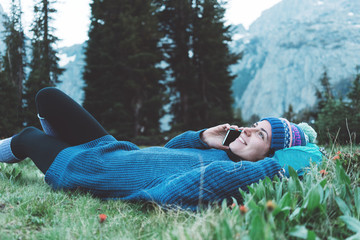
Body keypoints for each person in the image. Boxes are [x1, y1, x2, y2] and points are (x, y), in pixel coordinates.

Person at [0, 88, 322, 211]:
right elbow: (165, 151)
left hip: (91, 169)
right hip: (112, 149)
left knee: (27, 137)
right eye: (255, 125)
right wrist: (202, 138)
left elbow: (175, 190)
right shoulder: (219, 155)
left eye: (260, 136)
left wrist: (284, 165)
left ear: (268, 157)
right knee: (48, 98)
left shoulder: (230, 177)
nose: (248, 131)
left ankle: (58, 157)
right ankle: (59, 150)